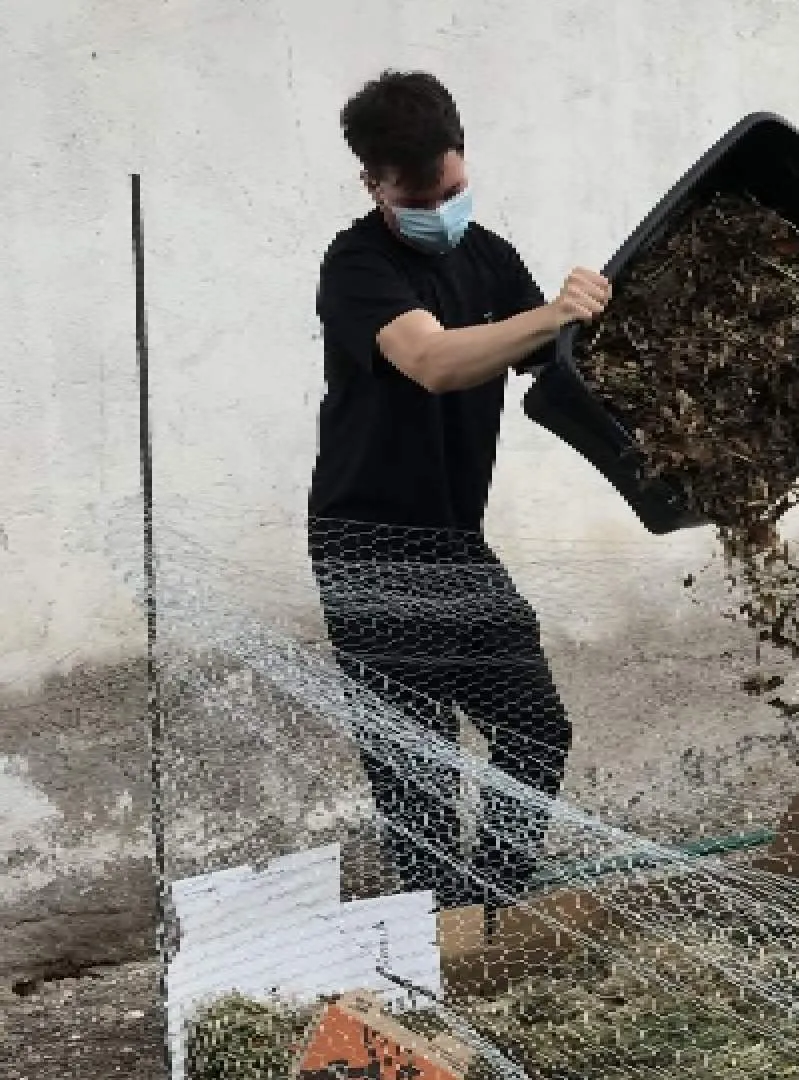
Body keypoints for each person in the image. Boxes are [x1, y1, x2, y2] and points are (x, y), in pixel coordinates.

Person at [308, 70, 611, 911]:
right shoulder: (357, 265)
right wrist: (552, 314)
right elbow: (435, 360)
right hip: (365, 545)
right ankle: (440, 934)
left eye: (455, 186)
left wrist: (607, 334)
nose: (445, 206)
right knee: (419, 768)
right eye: (424, 195)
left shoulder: (489, 259)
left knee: (534, 729)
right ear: (374, 183)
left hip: (451, 541)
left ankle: (493, 910)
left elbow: (551, 361)